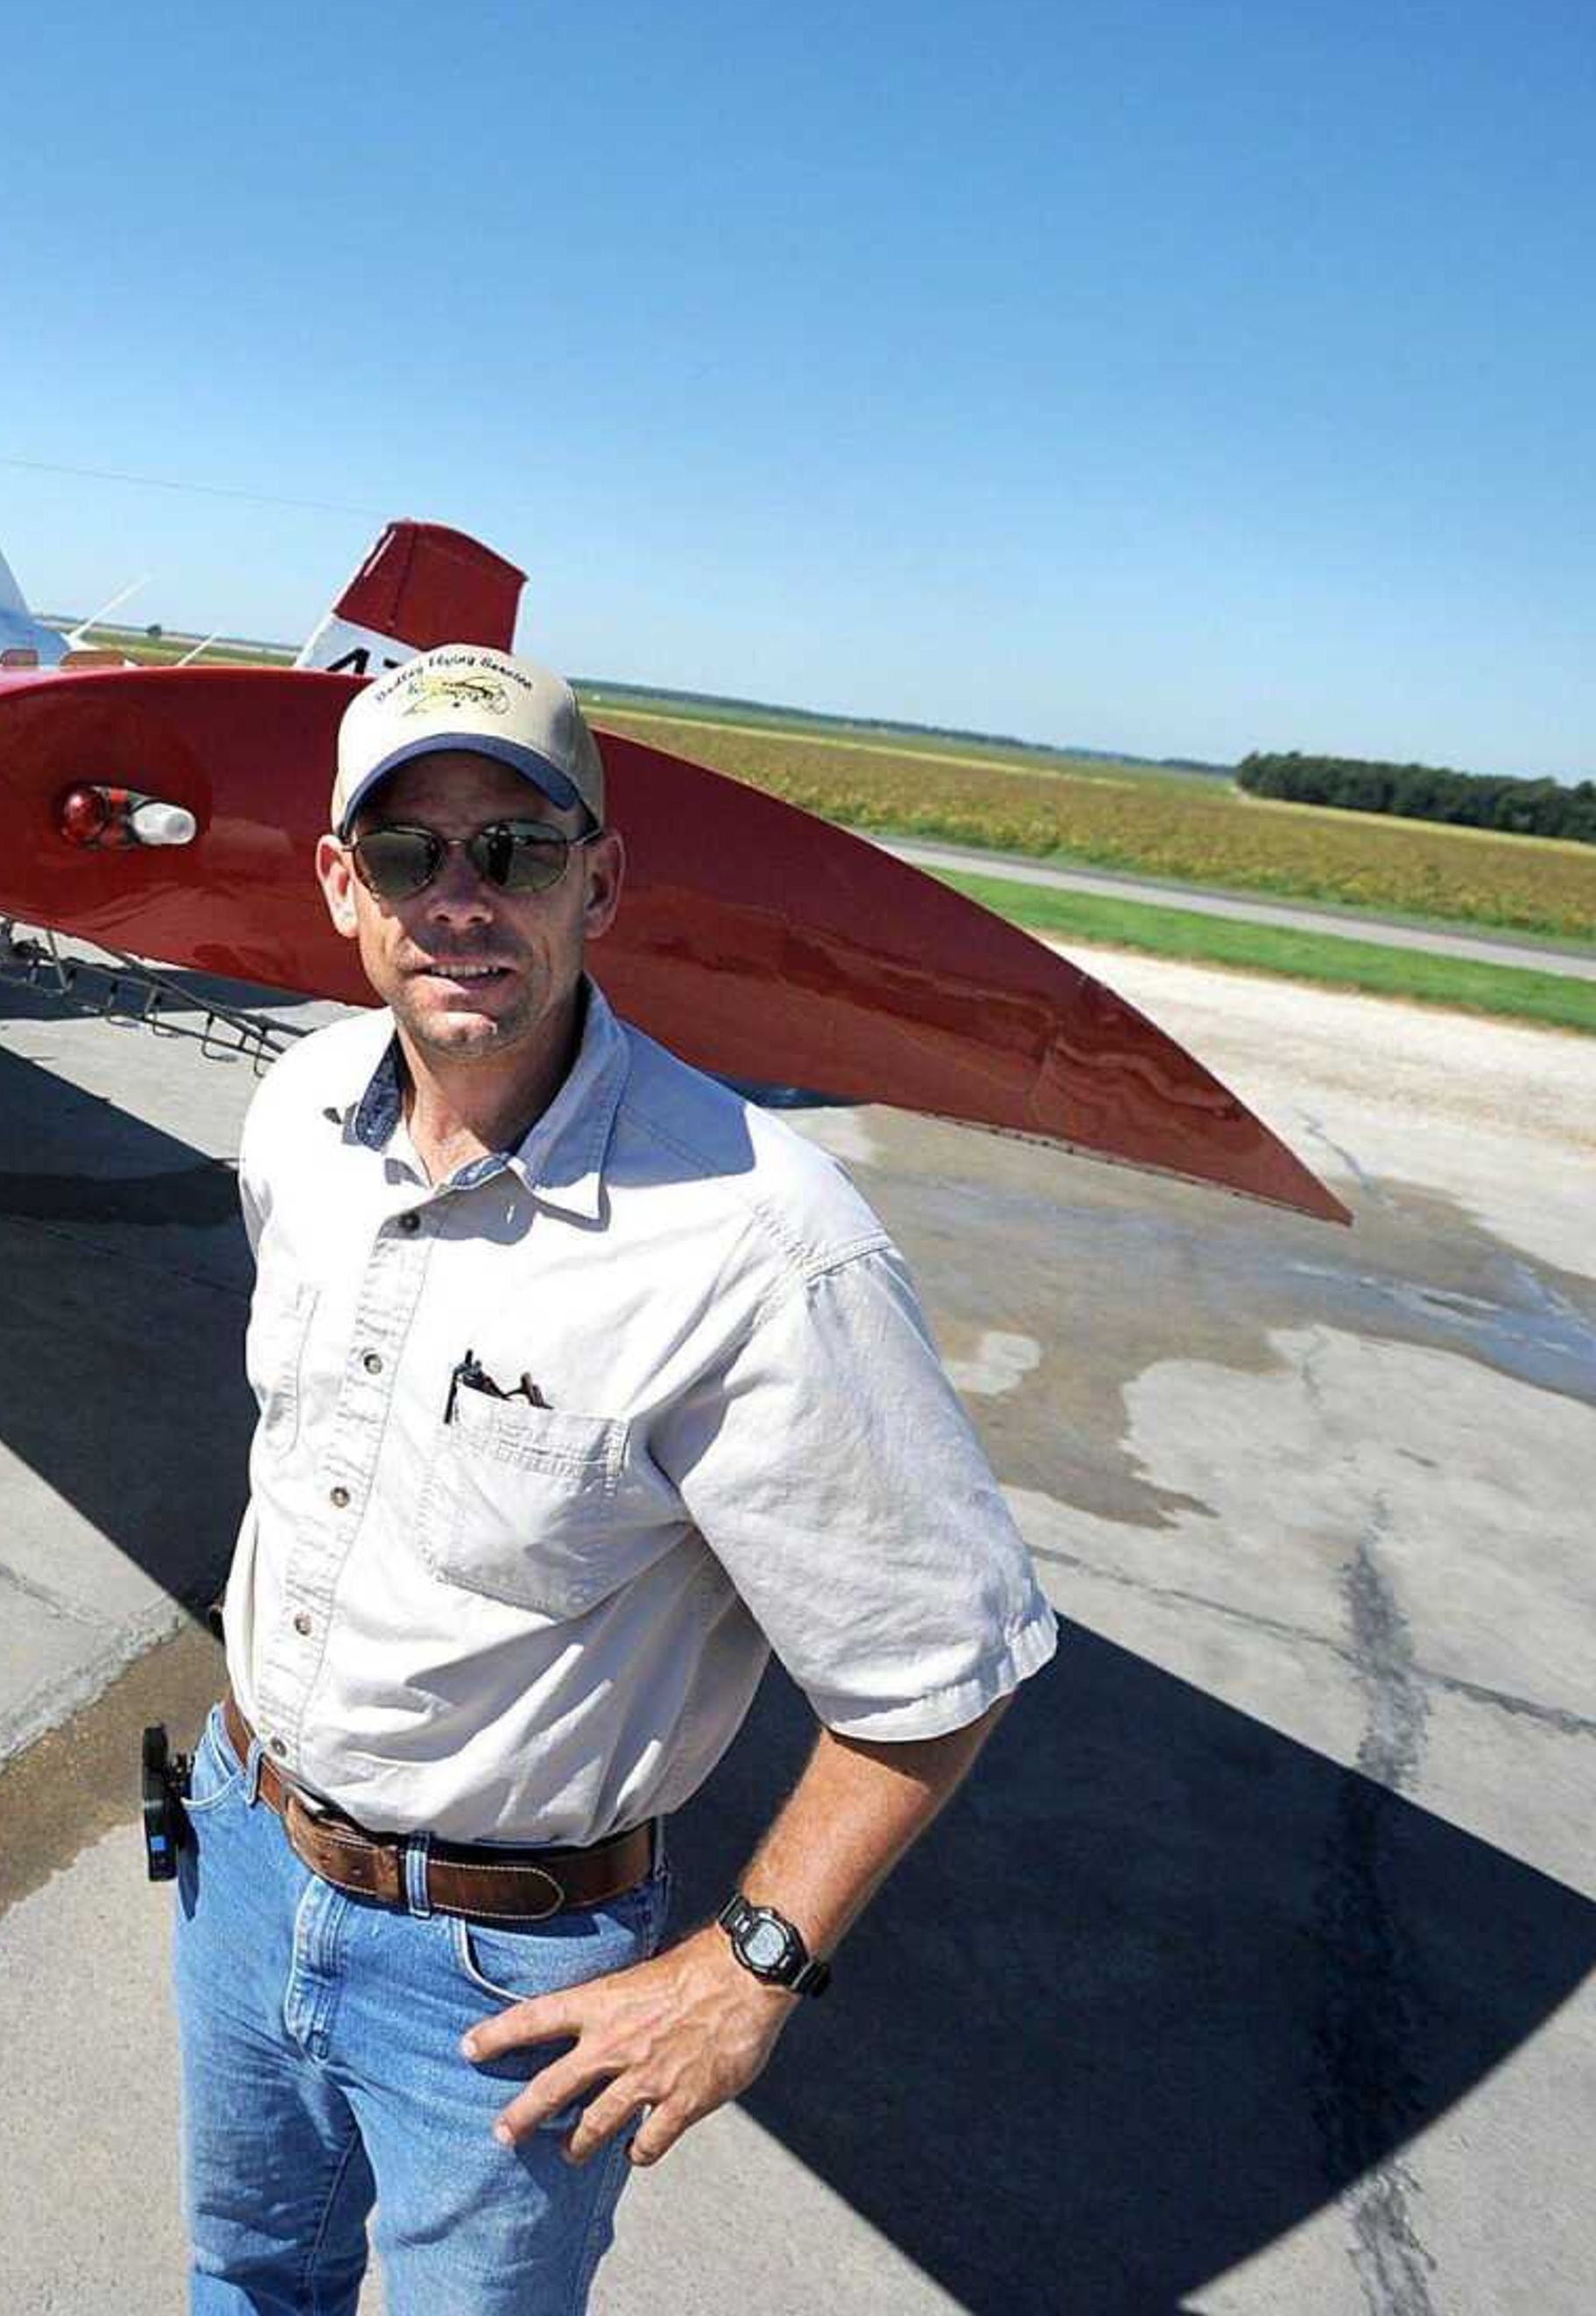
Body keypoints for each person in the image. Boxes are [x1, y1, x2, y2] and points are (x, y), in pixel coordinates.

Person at [171, 644, 1056, 2313]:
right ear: (340, 888)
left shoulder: (758, 1242)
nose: (460, 900)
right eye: (409, 853)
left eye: (514, 847)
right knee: (247, 2278)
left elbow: (940, 1669)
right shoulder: (297, 1119)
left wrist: (750, 1970)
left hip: (501, 1984)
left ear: (601, 881)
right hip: (245, 1852)